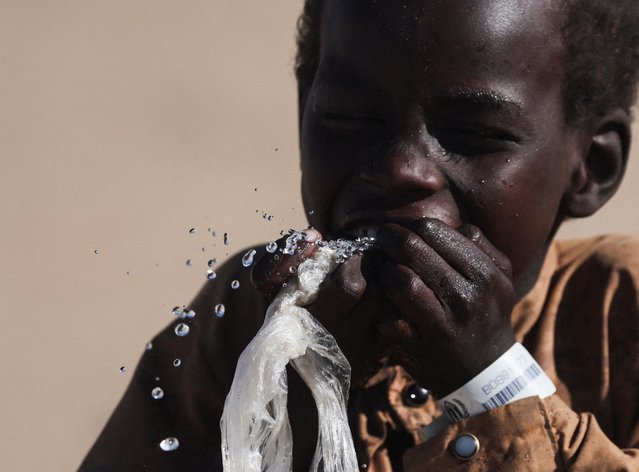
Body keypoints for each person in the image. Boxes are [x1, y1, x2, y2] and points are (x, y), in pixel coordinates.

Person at [81, 0, 639, 470]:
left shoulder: (620, 312)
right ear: (305, 109)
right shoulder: (249, 317)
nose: (401, 169)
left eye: (473, 134)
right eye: (351, 119)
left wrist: (487, 382)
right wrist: (301, 387)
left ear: (592, 165)